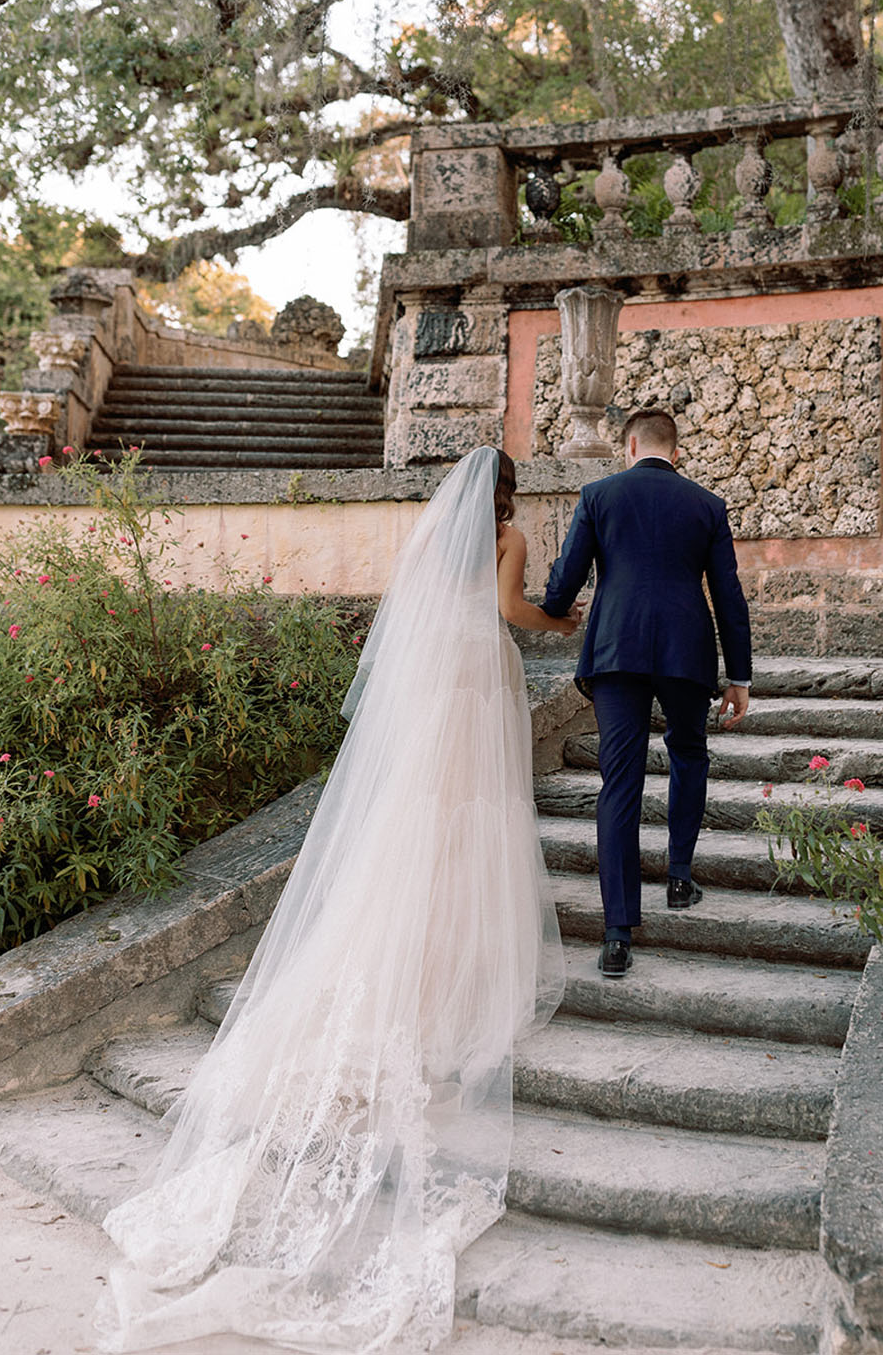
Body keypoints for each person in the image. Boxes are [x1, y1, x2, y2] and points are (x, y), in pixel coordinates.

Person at [96, 447, 575, 1353]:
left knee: (424, 831)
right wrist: (566, 614)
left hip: (440, 685)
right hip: (482, 677)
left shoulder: (433, 538)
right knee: (474, 832)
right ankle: (449, 986)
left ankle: (410, 976)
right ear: (509, 495)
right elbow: (511, 611)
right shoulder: (507, 537)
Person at [542, 408, 752, 977]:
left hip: (618, 649)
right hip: (686, 649)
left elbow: (566, 579)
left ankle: (617, 933)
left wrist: (556, 611)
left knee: (620, 779)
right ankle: (680, 879)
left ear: (629, 445)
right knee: (689, 753)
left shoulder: (598, 495)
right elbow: (728, 594)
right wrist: (740, 676)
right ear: (675, 451)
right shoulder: (707, 506)